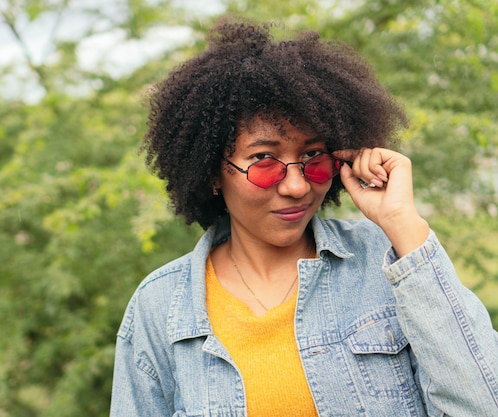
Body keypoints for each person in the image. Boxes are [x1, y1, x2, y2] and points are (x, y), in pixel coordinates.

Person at [110, 16, 498, 417]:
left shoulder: (387, 260)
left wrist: (402, 222)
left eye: (313, 157)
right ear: (211, 172)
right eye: (264, 160)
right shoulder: (159, 308)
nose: (296, 186)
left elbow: (484, 403)